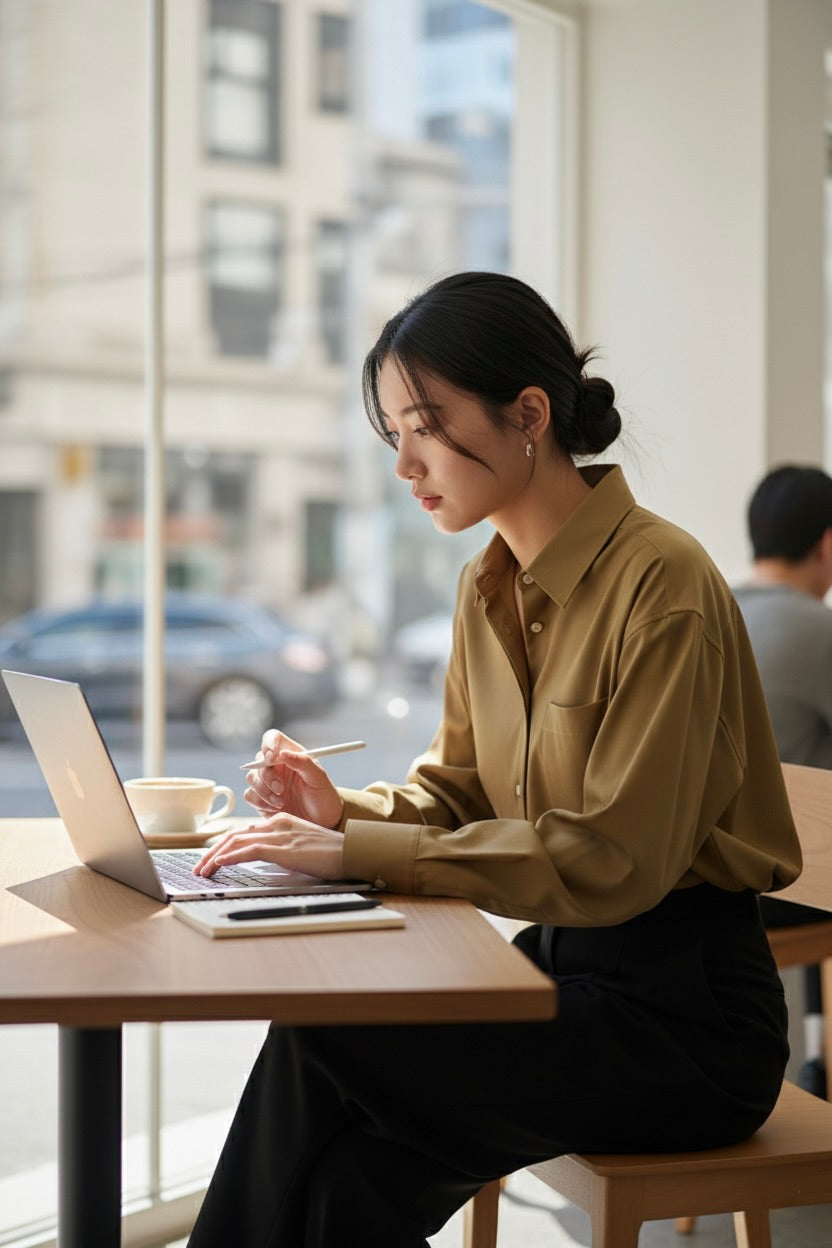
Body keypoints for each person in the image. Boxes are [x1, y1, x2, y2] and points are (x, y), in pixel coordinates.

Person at [187, 272, 801, 1248]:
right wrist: (340, 813)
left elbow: (611, 857)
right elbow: (460, 788)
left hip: (685, 1025)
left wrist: (351, 857)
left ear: (528, 414)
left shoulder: (663, 584)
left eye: (425, 427)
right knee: (352, 1187)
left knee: (322, 1032)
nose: (406, 466)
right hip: (560, 978)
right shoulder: (487, 586)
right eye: (395, 435)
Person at [734, 464, 832, 1100]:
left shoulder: (708, 611)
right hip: (782, 887)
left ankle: (818, 1062)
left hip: (696, 881)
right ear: (827, 544)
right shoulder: (817, 628)